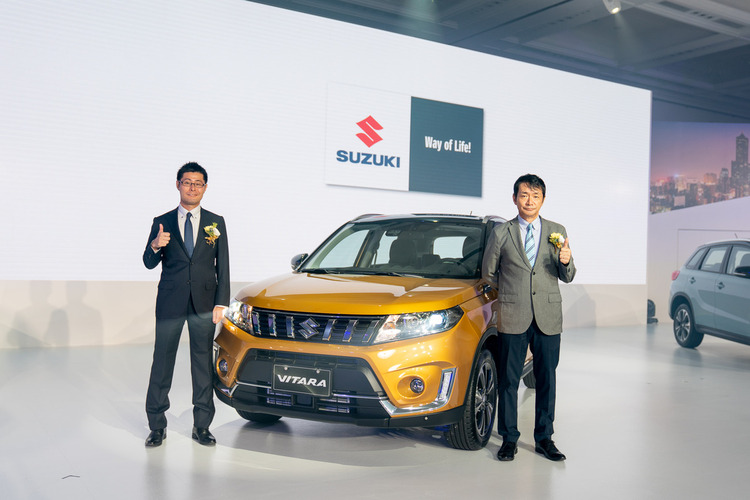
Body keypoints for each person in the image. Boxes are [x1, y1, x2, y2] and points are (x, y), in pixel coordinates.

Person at [482, 173, 575, 462]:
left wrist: (565, 262)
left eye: (535, 196)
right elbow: (489, 273)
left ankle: (545, 439)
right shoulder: (502, 232)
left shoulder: (557, 231)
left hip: (548, 316)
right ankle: (508, 439)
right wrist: (513, 292)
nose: (529, 201)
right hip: (513, 314)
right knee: (509, 381)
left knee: (547, 380)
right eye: (524, 195)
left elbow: (568, 275)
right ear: (515, 199)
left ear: (543, 200)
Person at [142, 162, 230, 447]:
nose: (193, 187)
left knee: (202, 364)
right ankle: (157, 425)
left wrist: (221, 303)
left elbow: (223, 266)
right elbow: (148, 262)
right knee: (162, 362)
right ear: (178, 184)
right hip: (170, 302)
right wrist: (155, 245)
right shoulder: (163, 221)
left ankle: (202, 426)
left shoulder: (216, 222)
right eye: (187, 182)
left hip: (204, 303)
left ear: (205, 187)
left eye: (198, 183)